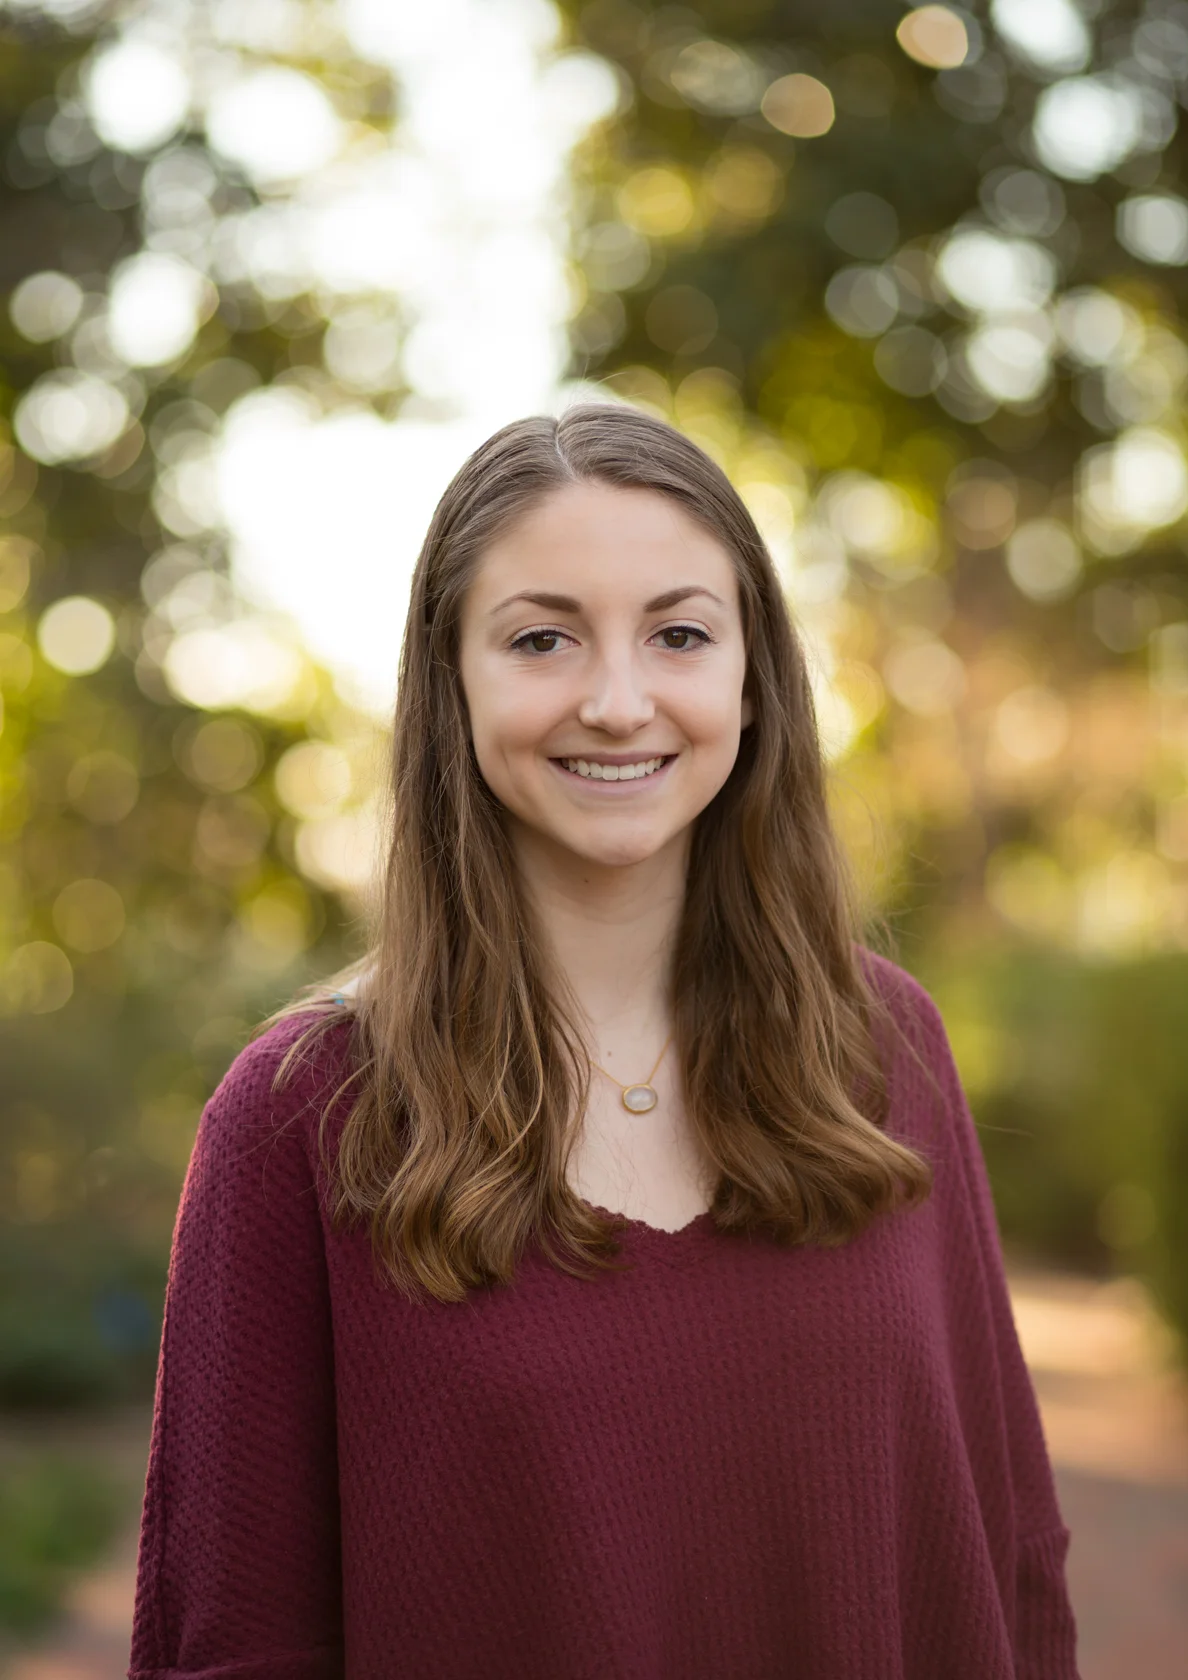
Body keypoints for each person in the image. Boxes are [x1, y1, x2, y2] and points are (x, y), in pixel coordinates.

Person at [128, 404, 1079, 1680]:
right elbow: (232, 1641)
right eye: (541, 640)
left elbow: (1007, 1553)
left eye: (680, 634)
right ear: (450, 680)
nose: (619, 702)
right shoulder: (302, 1116)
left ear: (753, 678)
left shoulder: (884, 1049)